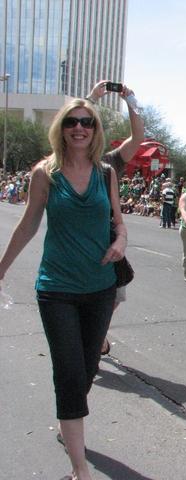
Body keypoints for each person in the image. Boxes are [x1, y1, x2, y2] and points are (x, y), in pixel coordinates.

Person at [0, 98, 126, 480]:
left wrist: (121, 240)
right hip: (57, 289)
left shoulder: (106, 174)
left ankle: (67, 425)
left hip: (101, 288)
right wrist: (1, 269)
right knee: (69, 373)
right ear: (61, 127)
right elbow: (27, 226)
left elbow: (119, 222)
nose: (79, 128)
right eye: (72, 121)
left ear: (95, 130)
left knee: (86, 370)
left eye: (87, 122)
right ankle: (79, 468)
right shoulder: (45, 174)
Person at [86, 81, 145, 355]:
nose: (84, 133)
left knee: (116, 292)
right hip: (76, 237)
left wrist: (131, 101)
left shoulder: (110, 162)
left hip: (106, 235)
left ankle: (96, 332)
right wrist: (93, 98)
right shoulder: (68, 160)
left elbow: (137, 139)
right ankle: (93, 337)